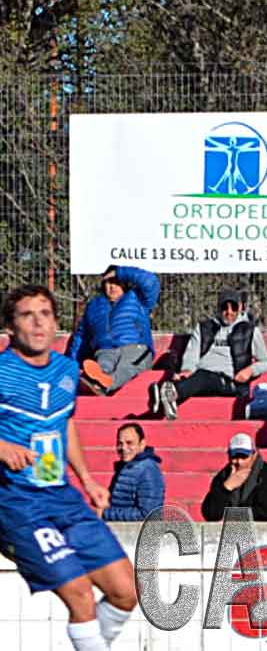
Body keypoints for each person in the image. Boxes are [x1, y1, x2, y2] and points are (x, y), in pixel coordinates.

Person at [0, 285, 138, 651]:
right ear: (10, 327)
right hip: (16, 504)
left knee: (125, 591)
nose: (38, 323)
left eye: (45, 314)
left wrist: (87, 479)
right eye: (27, 315)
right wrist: (2, 447)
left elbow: (65, 424)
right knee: (81, 595)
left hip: (61, 497)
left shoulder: (66, 370)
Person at [150, 289, 267, 420]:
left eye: (234, 307)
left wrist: (250, 370)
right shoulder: (204, 328)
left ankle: (168, 392)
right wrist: (187, 370)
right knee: (192, 376)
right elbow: (192, 354)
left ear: (241, 307)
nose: (229, 312)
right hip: (200, 376)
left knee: (203, 377)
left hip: (230, 381)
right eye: (224, 307)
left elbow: (266, 362)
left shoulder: (250, 331)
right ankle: (169, 394)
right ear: (218, 308)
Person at [67, 265, 160, 395]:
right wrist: (71, 365)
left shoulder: (138, 298)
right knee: (103, 366)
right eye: (108, 283)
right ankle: (97, 382)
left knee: (126, 367)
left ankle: (103, 384)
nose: (112, 287)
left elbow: (151, 282)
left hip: (135, 348)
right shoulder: (94, 306)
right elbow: (81, 337)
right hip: (105, 349)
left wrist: (119, 272)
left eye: (117, 282)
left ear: (124, 284)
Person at [200, 433, 267, 522]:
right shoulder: (223, 477)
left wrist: (233, 515)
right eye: (234, 457)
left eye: (244, 456)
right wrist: (226, 487)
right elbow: (210, 514)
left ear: (254, 455)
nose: (239, 462)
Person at [103, 423, 165, 521]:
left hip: (138, 530)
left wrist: (105, 514)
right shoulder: (126, 466)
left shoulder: (148, 469)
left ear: (142, 444)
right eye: (120, 443)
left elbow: (148, 515)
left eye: (129, 443)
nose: (123, 448)